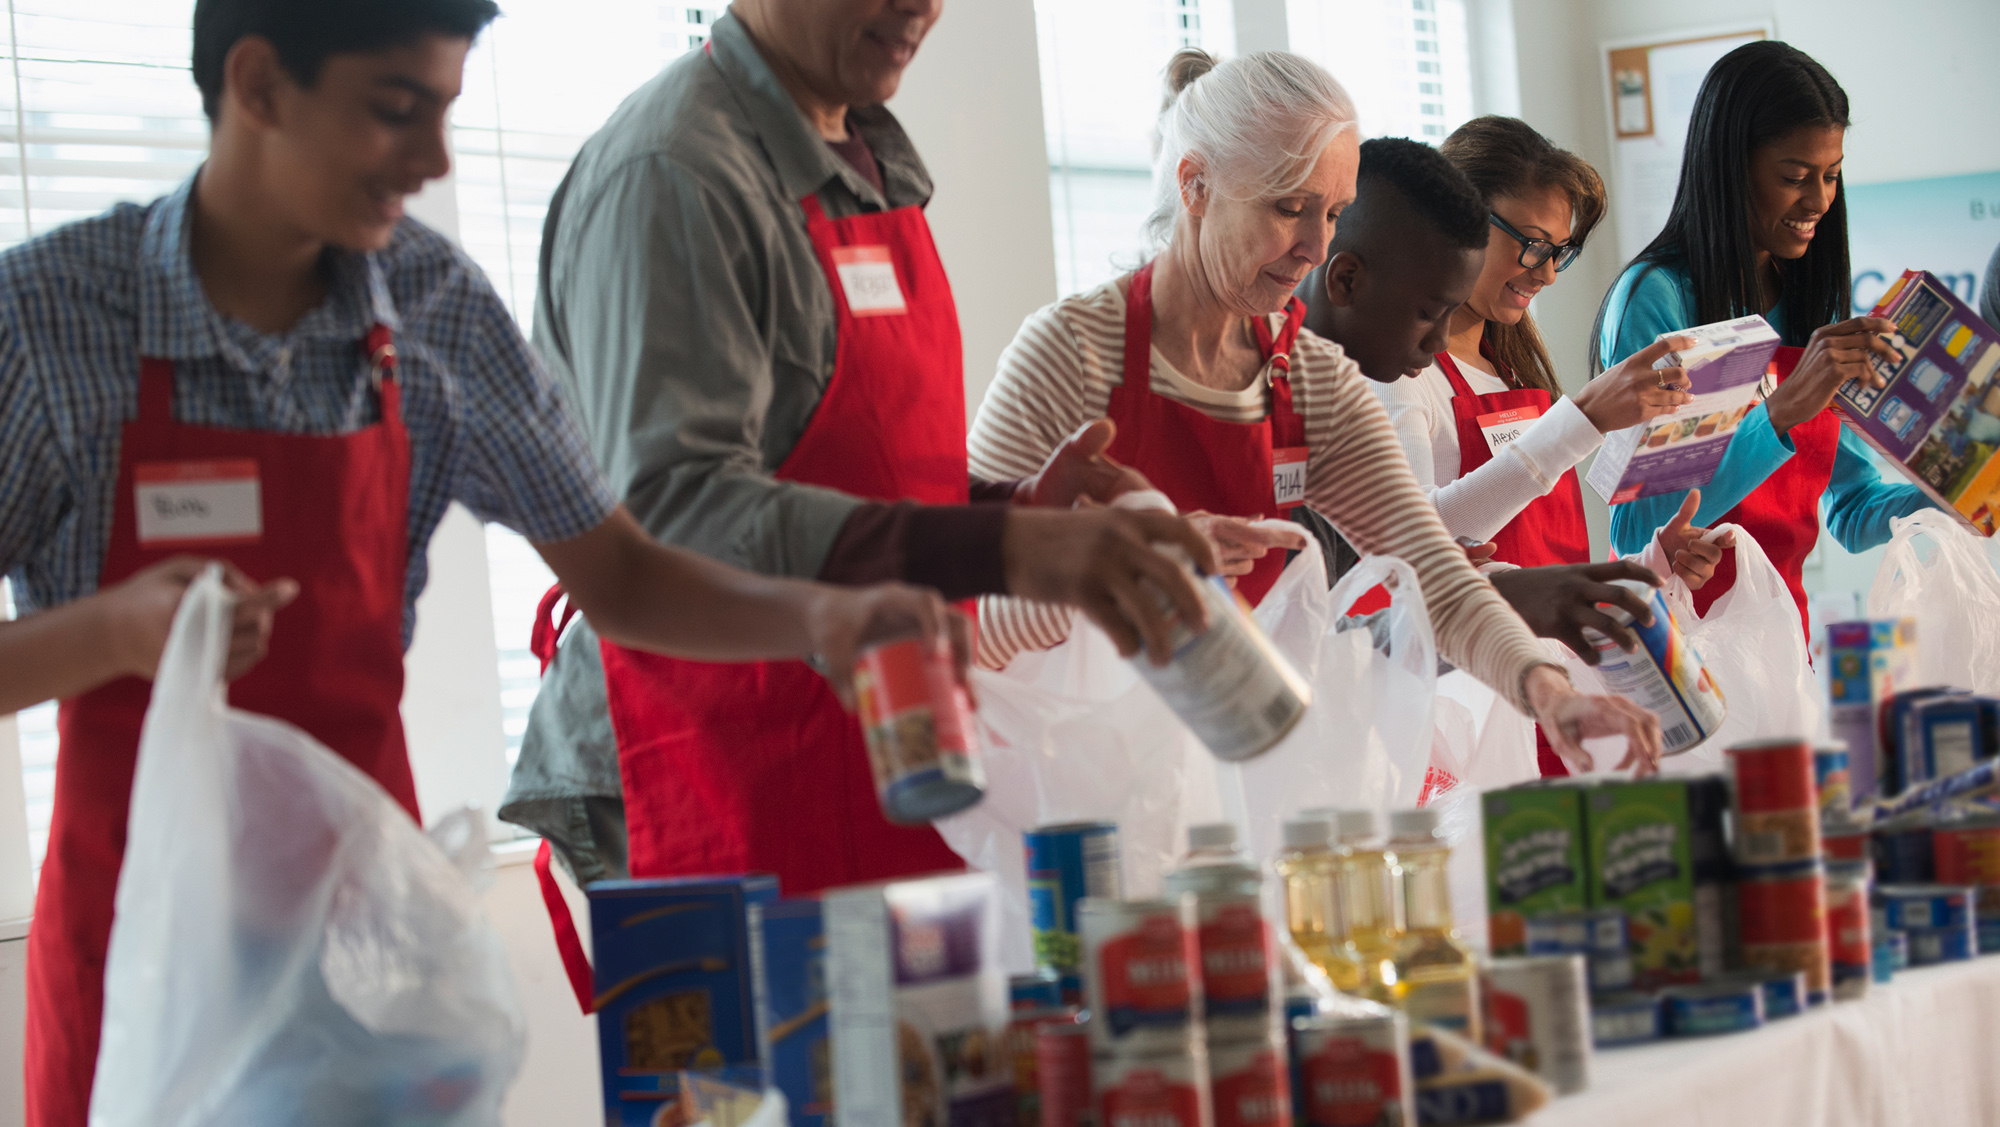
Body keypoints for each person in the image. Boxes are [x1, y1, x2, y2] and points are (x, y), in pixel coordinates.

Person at [0, 0, 988, 1120]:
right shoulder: (52, 322)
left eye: (448, 112)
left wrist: (818, 617)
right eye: (397, 112)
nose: (434, 159)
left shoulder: (434, 314)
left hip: (359, 974)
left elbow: (623, 574)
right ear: (261, 84)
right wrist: (114, 633)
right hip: (135, 978)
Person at [506, 0, 1216, 897]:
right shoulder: (678, 173)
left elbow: (835, 458)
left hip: (878, 729)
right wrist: (999, 549)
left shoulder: (865, 159)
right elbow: (672, 512)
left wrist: (1006, 507)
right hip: (713, 744)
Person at [968, 50, 1663, 776]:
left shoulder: (1314, 377)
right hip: (1095, 789)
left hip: (1268, 783)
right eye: (1287, 208)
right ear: (1195, 185)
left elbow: (1427, 568)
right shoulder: (1069, 355)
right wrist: (1118, 572)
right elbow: (962, 618)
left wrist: (1548, 693)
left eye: (1332, 213)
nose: (1317, 247)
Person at [1344, 121, 1730, 776]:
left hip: (1553, 704)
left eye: (1561, 251)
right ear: (1457, 218)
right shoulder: (1401, 373)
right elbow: (1409, 549)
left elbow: (1534, 561)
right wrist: (1580, 419)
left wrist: (1645, 569)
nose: (1547, 272)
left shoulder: (1511, 367)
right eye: (1529, 245)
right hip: (1465, 719)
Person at [1593, 40, 1924, 630]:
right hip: (1683, 648)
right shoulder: (1659, 299)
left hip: (1780, 649)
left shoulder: (1803, 302)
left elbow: (1851, 508)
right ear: (1730, 166)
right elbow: (1639, 529)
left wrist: (1954, 499)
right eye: (1795, 176)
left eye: (1832, 175)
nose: (1819, 199)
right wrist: (1781, 413)